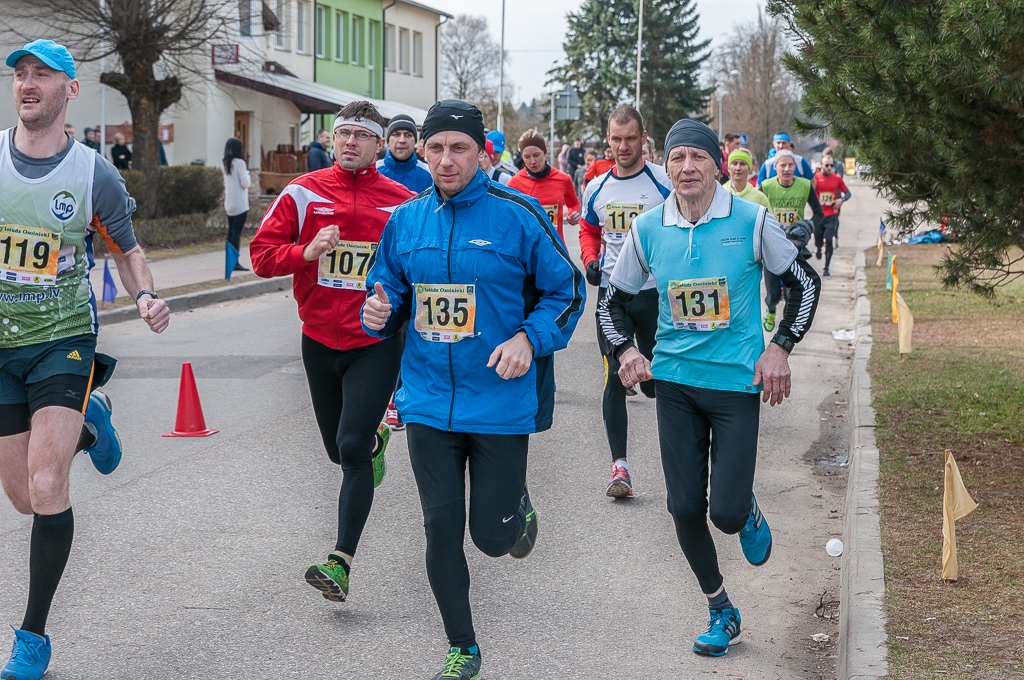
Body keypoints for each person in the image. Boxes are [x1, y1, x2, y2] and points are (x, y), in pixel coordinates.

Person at [361, 99, 585, 680]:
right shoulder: (406, 220)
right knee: (440, 526)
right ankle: (462, 646)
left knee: (490, 537)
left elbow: (568, 293)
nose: (444, 159)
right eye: (434, 148)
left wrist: (528, 341)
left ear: (482, 152)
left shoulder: (519, 214)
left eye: (457, 147)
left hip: (501, 402)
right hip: (429, 399)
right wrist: (376, 311)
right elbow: (383, 289)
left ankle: (516, 511)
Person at [598, 118, 821, 660]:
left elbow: (804, 283)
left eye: (698, 157)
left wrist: (781, 346)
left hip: (735, 385)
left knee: (721, 511)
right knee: (683, 507)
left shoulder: (749, 219)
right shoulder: (648, 228)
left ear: (717, 164)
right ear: (666, 164)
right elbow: (611, 300)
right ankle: (721, 608)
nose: (688, 168)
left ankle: (741, 503)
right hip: (674, 382)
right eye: (677, 159)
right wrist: (626, 350)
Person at [0, 39, 171, 680]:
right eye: (21, 74)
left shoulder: (92, 171)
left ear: (69, 90)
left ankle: (32, 640)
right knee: (21, 496)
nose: (27, 83)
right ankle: (90, 421)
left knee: (49, 487)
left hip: (63, 340)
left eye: (42, 74)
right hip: (1, 345)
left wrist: (147, 293)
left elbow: (127, 249)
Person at [249, 100, 414, 606]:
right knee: (339, 451)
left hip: (374, 342)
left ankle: (340, 562)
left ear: (379, 146)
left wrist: (397, 302)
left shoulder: (402, 200)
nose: (348, 142)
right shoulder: (303, 192)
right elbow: (259, 256)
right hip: (318, 339)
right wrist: (305, 252)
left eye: (360, 136)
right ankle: (375, 442)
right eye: (342, 133)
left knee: (348, 446)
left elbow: (423, 270)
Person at [578, 106, 670, 497]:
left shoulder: (663, 181)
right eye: (616, 139)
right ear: (608, 139)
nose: (623, 146)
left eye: (630, 138)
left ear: (643, 137)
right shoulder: (597, 187)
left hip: (653, 295)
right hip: (613, 297)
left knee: (654, 382)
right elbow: (587, 228)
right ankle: (620, 467)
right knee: (614, 376)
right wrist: (590, 259)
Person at [759, 151, 824, 330]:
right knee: (772, 295)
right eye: (783, 165)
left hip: (794, 247)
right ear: (775, 168)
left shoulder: (804, 185)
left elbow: (819, 214)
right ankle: (770, 308)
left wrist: (807, 226)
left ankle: (784, 330)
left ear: (795, 167)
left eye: (791, 165)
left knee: (791, 295)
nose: (787, 169)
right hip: (771, 246)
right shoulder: (765, 186)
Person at [506, 129, 581, 240]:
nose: (532, 161)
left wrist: (573, 214)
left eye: (536, 155)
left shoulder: (563, 179)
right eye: (527, 157)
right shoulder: (514, 183)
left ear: (544, 152)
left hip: (556, 249)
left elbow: (574, 204)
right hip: (528, 252)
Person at [812, 155, 851, 274]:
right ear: (821, 165)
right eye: (827, 165)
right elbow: (808, 190)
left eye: (831, 165)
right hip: (818, 215)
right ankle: (818, 247)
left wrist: (841, 200)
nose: (829, 167)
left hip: (832, 214)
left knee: (829, 239)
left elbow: (848, 193)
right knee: (818, 239)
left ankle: (826, 267)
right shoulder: (816, 178)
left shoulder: (837, 179)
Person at [376, 113, 432, 193]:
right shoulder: (373, 172)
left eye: (408, 135)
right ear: (388, 141)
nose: (402, 140)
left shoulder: (430, 174)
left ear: (415, 141)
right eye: (396, 134)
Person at [223, 137, 251, 272]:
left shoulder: (225, 163)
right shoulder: (240, 163)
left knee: (230, 233)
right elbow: (245, 183)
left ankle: (229, 261)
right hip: (240, 204)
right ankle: (235, 263)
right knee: (236, 233)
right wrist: (248, 174)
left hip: (229, 203)